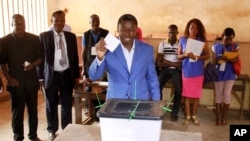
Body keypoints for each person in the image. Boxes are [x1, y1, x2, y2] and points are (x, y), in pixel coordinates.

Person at [89, 14, 160, 100]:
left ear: (136, 31)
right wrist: (99, 58)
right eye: (123, 29)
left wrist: (156, 104)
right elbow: (93, 76)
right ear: (118, 30)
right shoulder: (108, 49)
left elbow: (152, 79)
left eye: (131, 30)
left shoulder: (147, 50)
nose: (127, 33)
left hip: (140, 102)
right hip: (115, 102)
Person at [0, 14, 43, 141]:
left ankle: (33, 135)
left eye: (21, 23)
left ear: (25, 23)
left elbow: (40, 57)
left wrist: (33, 64)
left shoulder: (34, 39)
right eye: (16, 23)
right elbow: (2, 63)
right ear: (11, 24)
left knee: (33, 111)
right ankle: (18, 137)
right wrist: (9, 79)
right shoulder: (4, 41)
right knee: (17, 113)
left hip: (31, 81)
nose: (19, 26)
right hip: (15, 83)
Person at [38, 10, 80, 141]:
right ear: (52, 22)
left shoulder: (71, 36)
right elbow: (40, 58)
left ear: (64, 22)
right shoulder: (44, 36)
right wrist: (40, 77)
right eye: (56, 20)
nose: (59, 23)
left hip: (66, 74)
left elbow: (74, 57)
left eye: (62, 20)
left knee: (67, 103)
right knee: (51, 104)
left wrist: (76, 76)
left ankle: (67, 128)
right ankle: (52, 130)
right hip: (51, 75)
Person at [177, 18, 210, 125]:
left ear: (199, 29)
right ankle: (187, 116)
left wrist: (197, 57)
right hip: (187, 71)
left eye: (196, 28)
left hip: (198, 71)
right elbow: (178, 56)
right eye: (191, 27)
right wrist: (185, 55)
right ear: (188, 28)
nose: (193, 29)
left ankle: (194, 116)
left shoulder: (202, 40)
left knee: (196, 95)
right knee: (186, 95)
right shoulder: (182, 39)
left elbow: (208, 55)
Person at [81, 14, 109, 117]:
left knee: (103, 86)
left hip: (103, 64)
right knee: (88, 86)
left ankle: (103, 108)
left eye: (97, 23)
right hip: (90, 63)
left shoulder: (106, 33)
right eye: (93, 23)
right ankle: (88, 107)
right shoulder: (86, 35)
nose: (95, 25)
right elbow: (83, 52)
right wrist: (83, 68)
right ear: (90, 23)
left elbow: (109, 50)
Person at [212, 27, 238, 126]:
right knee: (218, 95)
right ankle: (218, 118)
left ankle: (224, 118)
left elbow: (235, 59)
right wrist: (223, 58)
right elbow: (214, 61)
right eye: (227, 39)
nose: (229, 41)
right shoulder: (216, 46)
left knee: (226, 95)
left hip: (230, 74)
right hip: (218, 73)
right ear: (223, 37)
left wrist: (227, 58)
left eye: (231, 39)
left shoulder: (235, 46)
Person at [156, 24, 182, 121]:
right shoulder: (162, 44)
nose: (171, 34)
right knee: (157, 86)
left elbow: (181, 63)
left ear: (177, 33)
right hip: (165, 69)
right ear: (168, 33)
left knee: (179, 89)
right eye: (169, 32)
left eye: (173, 32)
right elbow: (159, 63)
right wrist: (173, 64)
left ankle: (174, 113)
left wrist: (166, 62)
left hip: (176, 71)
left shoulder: (181, 44)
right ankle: (159, 109)